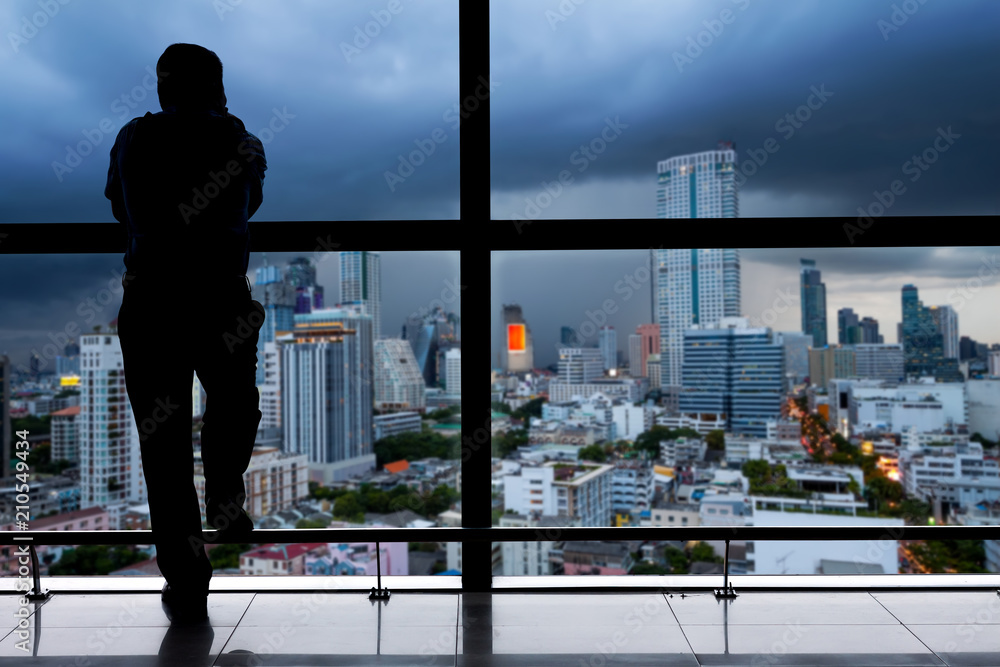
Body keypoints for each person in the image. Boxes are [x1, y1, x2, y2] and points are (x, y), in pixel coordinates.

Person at [106, 43, 267, 623]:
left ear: (161, 87)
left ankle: (188, 576)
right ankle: (225, 488)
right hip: (222, 297)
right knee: (235, 403)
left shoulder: (132, 138)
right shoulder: (239, 138)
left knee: (162, 446)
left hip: (150, 302)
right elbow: (251, 201)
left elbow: (120, 210)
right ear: (218, 87)